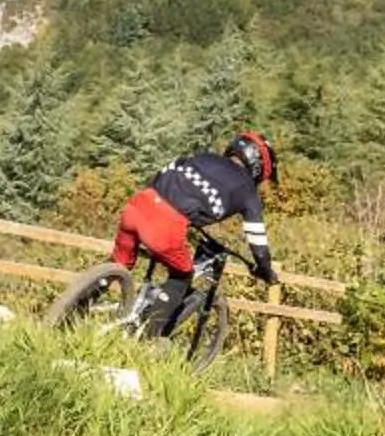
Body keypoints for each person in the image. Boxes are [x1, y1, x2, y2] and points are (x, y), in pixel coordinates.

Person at [110, 133, 280, 336]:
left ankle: (75, 308)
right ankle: (147, 338)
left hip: (138, 204)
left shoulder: (203, 156)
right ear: (258, 168)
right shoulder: (248, 191)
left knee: (117, 265)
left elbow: (162, 174)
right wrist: (265, 270)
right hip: (167, 225)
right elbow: (257, 240)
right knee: (182, 276)